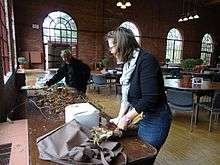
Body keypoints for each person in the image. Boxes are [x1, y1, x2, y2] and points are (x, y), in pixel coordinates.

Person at [106, 27, 172, 164]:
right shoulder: (128, 64)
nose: (111, 51)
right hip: (141, 115)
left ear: (123, 45)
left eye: (112, 47)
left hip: (156, 118)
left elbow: (150, 98)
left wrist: (126, 118)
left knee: (144, 158)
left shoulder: (146, 61)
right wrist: (120, 116)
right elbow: (126, 97)